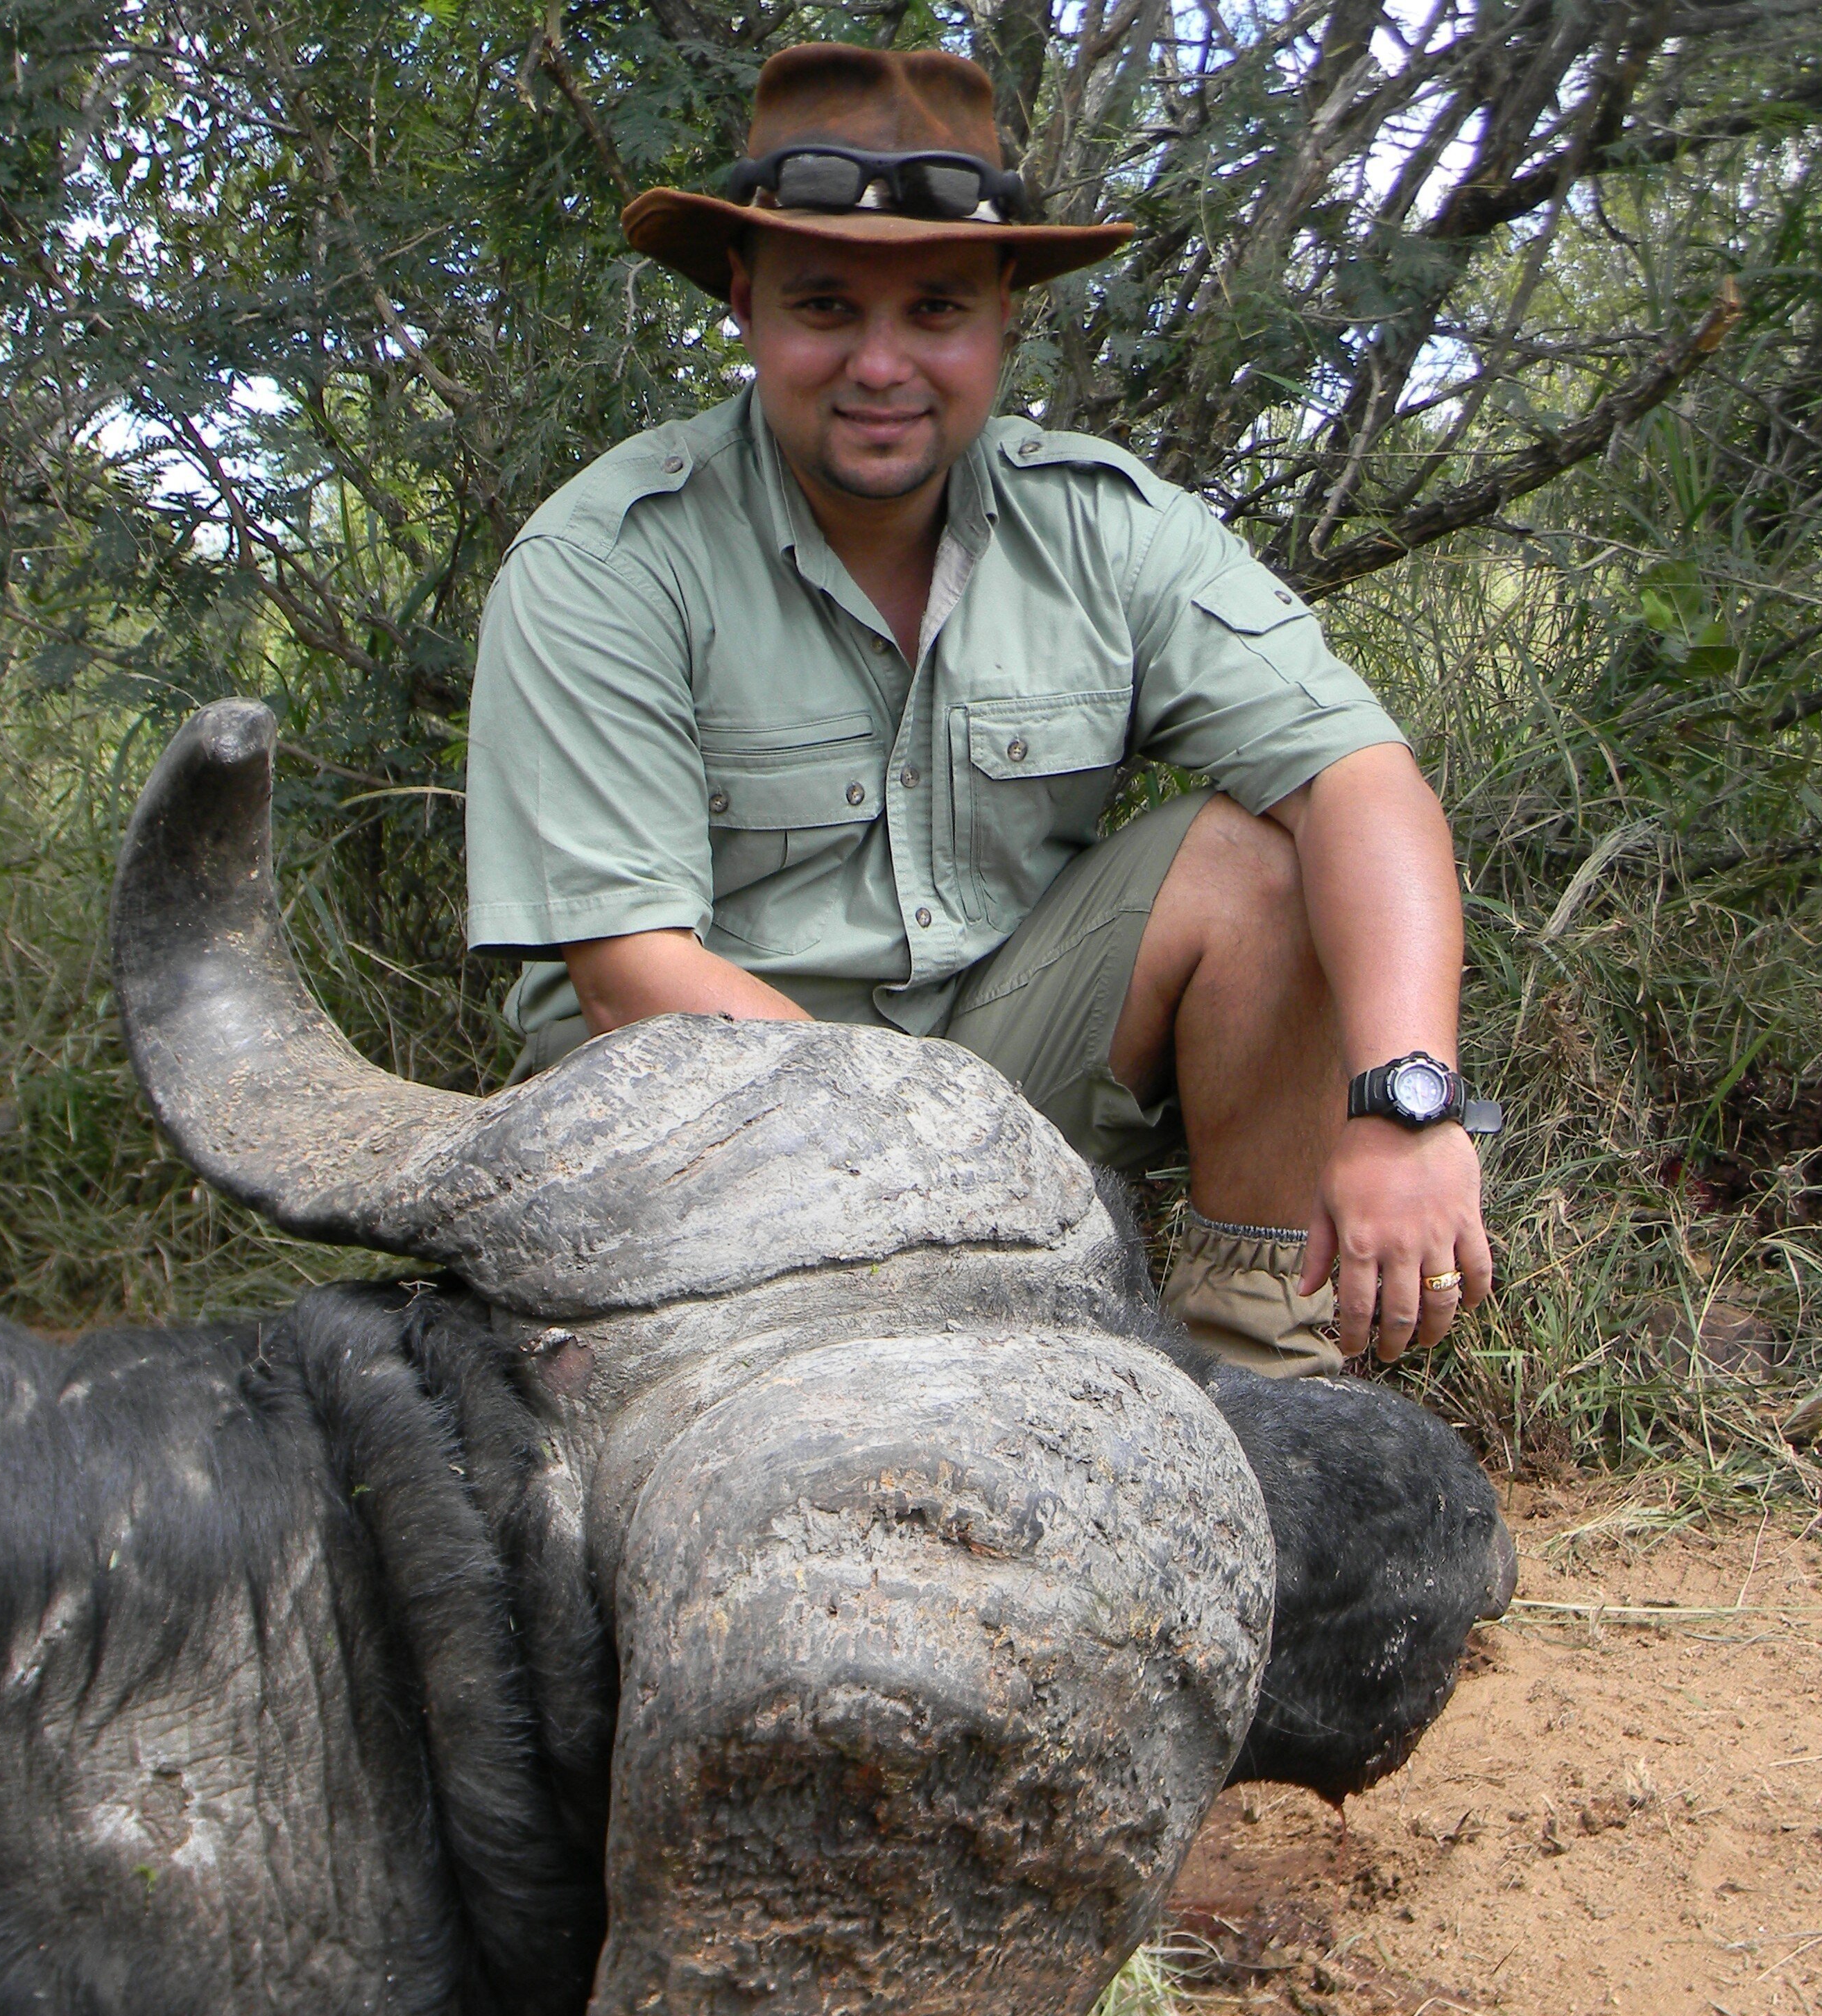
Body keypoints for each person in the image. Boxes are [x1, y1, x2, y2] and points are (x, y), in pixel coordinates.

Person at [465, 42, 1498, 1375]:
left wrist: (1408, 1105)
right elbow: (632, 982)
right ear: (744, 302)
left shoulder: (1106, 528)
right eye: (826, 307)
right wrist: (960, 1171)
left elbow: (1362, 779)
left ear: (1007, 309)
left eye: (938, 311)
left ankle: (1262, 1394)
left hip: (994, 1099)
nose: (882, 365)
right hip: (693, 1140)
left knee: (1260, 858)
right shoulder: (606, 563)